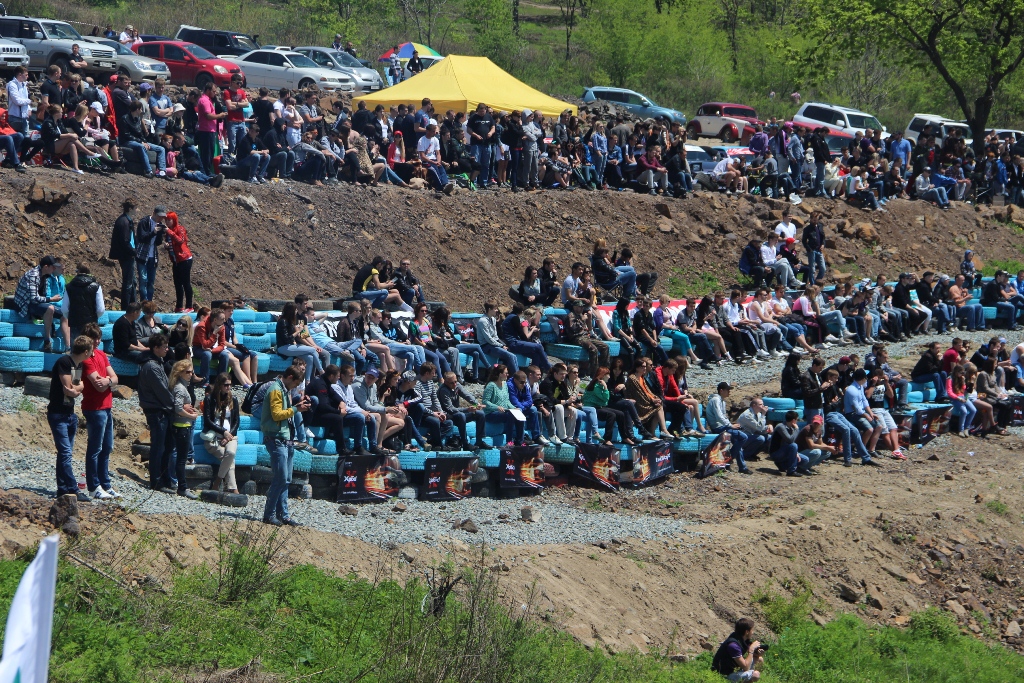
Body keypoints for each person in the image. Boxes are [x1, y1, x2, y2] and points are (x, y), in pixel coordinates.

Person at [49, 335, 95, 501]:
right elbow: (69, 389)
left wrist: (78, 387)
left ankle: (62, 488)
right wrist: (78, 388)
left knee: (64, 454)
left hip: (69, 413)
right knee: (66, 453)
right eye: (91, 351)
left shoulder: (79, 365)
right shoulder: (64, 362)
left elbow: (76, 388)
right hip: (58, 413)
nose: (92, 353)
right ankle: (73, 489)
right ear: (85, 351)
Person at [261, 366, 308, 527]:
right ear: (289, 377)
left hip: (286, 439)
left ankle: (283, 515)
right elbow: (276, 415)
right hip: (275, 439)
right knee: (280, 478)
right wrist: (296, 409)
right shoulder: (276, 390)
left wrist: (296, 406)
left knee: (286, 479)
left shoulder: (284, 389)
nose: (295, 387)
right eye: (295, 383)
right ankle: (269, 514)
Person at [137, 334, 176, 492]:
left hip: (162, 409)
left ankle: (165, 478)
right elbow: (162, 391)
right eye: (164, 347)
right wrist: (176, 406)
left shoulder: (158, 363)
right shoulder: (151, 366)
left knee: (166, 447)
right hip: (156, 410)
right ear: (155, 348)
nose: (167, 349)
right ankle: (156, 481)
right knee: (158, 447)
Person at [15, 256, 63, 353]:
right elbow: (34, 299)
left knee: (64, 314)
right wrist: (51, 299)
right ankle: (47, 340)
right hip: (25, 304)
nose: (54, 269)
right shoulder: (33, 275)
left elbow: (42, 296)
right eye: (53, 267)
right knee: (50, 308)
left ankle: (68, 345)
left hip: (37, 303)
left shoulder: (46, 276)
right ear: (46, 267)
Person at [168, 359, 201, 500]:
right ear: (180, 373)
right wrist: (191, 416)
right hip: (182, 426)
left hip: (182, 425)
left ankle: (180, 484)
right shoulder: (180, 388)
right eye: (188, 372)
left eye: (192, 372)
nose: (191, 374)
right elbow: (178, 408)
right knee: (181, 459)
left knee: (180, 457)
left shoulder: (180, 386)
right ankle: (182, 487)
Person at [202, 372, 240, 493]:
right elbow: (208, 420)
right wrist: (223, 432)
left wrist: (228, 436)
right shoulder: (209, 399)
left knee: (230, 452)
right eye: (225, 385)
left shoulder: (233, 399)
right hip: (214, 437)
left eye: (230, 385)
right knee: (229, 459)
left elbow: (236, 421)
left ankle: (218, 481)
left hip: (230, 436)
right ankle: (233, 489)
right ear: (219, 385)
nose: (228, 387)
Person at [705, 382, 752, 474]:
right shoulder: (715, 400)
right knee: (743, 437)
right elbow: (719, 417)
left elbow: (723, 416)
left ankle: (742, 467)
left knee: (737, 442)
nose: (729, 392)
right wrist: (730, 425)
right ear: (721, 390)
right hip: (718, 427)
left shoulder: (721, 401)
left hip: (723, 426)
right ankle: (728, 460)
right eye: (727, 390)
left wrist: (730, 424)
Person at [438, 371, 487, 451]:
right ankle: (465, 443)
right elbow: (450, 409)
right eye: (451, 383)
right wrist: (467, 409)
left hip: (458, 413)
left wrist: (476, 404)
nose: (454, 384)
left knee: (480, 414)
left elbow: (467, 395)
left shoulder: (457, 385)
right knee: (461, 415)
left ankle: (479, 441)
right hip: (448, 416)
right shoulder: (443, 390)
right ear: (446, 382)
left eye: (455, 381)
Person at [482, 364, 525, 445]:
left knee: (519, 413)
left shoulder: (505, 384)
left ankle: (520, 441)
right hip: (491, 413)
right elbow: (485, 402)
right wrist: (497, 407)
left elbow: (507, 401)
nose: (507, 375)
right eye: (506, 373)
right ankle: (509, 442)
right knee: (510, 415)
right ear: (500, 374)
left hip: (504, 411)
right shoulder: (491, 385)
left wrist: (514, 408)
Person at [712, 617, 764, 682]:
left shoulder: (740, 638)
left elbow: (748, 654)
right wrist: (751, 650)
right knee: (755, 675)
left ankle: (747, 679)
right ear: (747, 632)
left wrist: (757, 653)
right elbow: (746, 667)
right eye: (752, 630)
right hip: (725, 674)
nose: (753, 632)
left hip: (735, 668)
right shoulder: (733, 645)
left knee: (759, 659)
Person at [63, 264, 104, 341]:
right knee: (91, 346)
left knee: (76, 346)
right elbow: (100, 309)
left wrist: (71, 317)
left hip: (75, 323)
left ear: (78, 271)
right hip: (91, 324)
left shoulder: (69, 287)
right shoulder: (96, 286)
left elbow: (64, 309)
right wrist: (93, 317)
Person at [417, 123, 454, 194]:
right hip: (426, 161)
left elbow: (438, 153)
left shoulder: (435, 139)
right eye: (433, 131)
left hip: (434, 160)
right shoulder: (421, 140)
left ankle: (445, 183)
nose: (435, 133)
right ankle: (440, 187)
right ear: (428, 131)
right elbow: (422, 156)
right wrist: (433, 162)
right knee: (434, 170)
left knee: (441, 168)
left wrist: (438, 161)